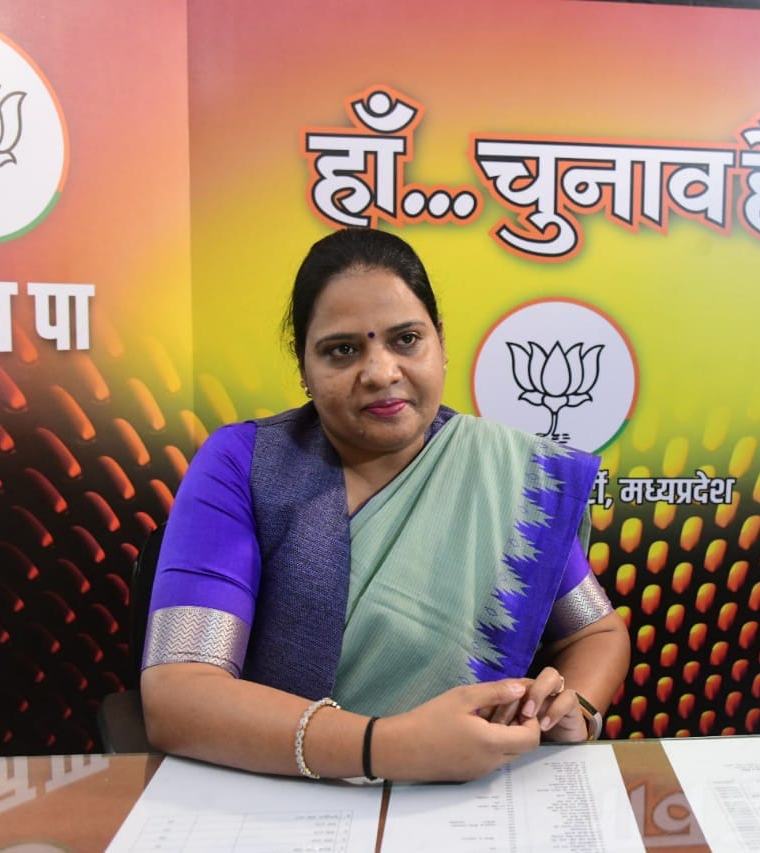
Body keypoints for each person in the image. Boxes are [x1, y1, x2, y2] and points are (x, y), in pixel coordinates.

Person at [140, 227, 630, 782]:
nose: (380, 372)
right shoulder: (245, 465)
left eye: (406, 340)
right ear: (303, 367)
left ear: (440, 344)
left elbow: (596, 634)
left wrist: (574, 707)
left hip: (470, 803)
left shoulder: (505, 476)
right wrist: (388, 746)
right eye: (343, 350)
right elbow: (178, 694)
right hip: (286, 794)